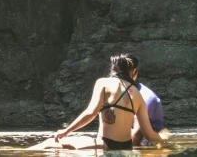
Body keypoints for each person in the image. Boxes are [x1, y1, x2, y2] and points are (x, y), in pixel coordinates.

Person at [30, 53, 169, 151]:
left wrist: (67, 131)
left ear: (113, 70)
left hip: (106, 145)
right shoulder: (139, 95)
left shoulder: (103, 83)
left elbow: (91, 113)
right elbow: (149, 135)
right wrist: (163, 139)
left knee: (49, 143)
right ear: (134, 72)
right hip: (126, 147)